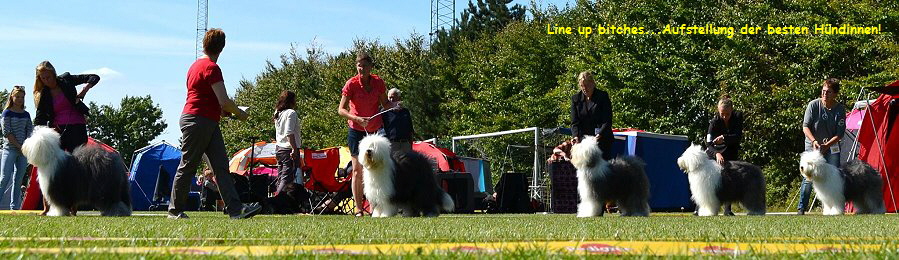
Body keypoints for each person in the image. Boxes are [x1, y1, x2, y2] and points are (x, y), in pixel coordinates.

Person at [168, 28, 261, 219]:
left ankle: (236, 210)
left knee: (220, 167)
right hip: (198, 121)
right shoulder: (211, 67)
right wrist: (239, 113)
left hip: (203, 120)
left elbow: (208, 99)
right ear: (222, 48)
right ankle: (174, 211)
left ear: (204, 44)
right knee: (188, 166)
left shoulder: (194, 66)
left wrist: (225, 112)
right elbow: (224, 100)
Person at [337, 51, 390, 217]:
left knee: (374, 169)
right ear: (356, 66)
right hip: (356, 130)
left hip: (374, 132)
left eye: (365, 66)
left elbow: (386, 104)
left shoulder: (378, 83)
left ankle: (376, 208)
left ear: (370, 67)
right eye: (359, 65)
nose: (362, 69)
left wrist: (396, 105)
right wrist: (356, 118)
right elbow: (341, 110)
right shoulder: (351, 84)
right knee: (357, 170)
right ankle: (359, 209)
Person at [797, 78, 846, 215]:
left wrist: (827, 145)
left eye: (829, 92)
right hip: (813, 147)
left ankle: (833, 207)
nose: (825, 94)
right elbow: (805, 126)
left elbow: (840, 133)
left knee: (834, 176)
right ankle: (802, 208)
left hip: (831, 147)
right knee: (808, 178)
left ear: (835, 94)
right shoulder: (813, 105)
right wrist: (814, 142)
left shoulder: (840, 109)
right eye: (824, 91)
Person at [33, 61, 97, 152]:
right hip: (58, 132)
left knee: (79, 159)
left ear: (54, 74)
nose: (47, 80)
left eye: (48, 77)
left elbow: (94, 77)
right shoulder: (44, 94)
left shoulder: (67, 79)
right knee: (59, 163)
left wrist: (84, 90)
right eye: (43, 78)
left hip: (77, 127)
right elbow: (40, 118)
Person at [0, 86, 32, 210]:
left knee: (18, 180)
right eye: (17, 96)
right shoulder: (6, 113)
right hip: (10, 149)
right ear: (12, 97)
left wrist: (25, 146)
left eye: (22, 97)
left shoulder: (26, 114)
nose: (19, 99)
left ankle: (14, 207)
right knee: (4, 178)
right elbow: (7, 132)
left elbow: (29, 130)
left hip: (23, 151)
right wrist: (19, 146)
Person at [570, 71, 613, 160]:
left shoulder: (602, 96)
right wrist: (576, 137)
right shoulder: (575, 99)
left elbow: (607, 120)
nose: (585, 88)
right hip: (584, 144)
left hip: (602, 141)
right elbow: (574, 122)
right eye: (582, 86)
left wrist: (598, 136)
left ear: (593, 83)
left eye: (587, 85)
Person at [273, 90, 303, 196]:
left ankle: (278, 197)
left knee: (280, 175)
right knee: (287, 177)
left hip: (279, 148)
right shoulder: (291, 113)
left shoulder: (278, 112)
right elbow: (289, 133)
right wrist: (294, 148)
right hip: (288, 148)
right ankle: (278, 198)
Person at [706, 95, 744, 165]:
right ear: (718, 110)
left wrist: (724, 138)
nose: (724, 117)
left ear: (731, 110)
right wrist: (716, 153)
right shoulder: (714, 122)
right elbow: (708, 143)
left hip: (731, 155)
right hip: (715, 155)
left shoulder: (737, 117)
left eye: (727, 114)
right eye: (722, 114)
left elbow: (738, 136)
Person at [383, 88, 418, 156]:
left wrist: (410, 144)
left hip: (405, 144)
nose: (391, 100)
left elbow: (410, 129)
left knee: (407, 164)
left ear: (399, 98)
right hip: (392, 143)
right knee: (393, 164)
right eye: (389, 98)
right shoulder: (384, 112)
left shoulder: (405, 112)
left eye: (393, 98)